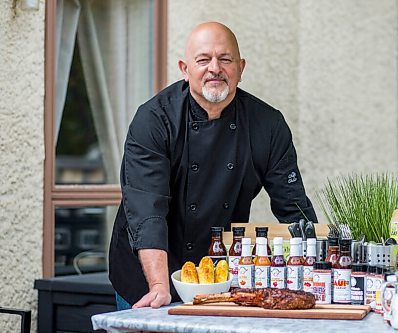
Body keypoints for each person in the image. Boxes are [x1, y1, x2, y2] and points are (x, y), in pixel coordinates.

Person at [108, 21, 317, 310]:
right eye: (203, 60)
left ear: (241, 68)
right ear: (185, 69)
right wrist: (159, 285)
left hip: (218, 273)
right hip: (147, 272)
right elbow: (147, 211)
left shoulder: (268, 126)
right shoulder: (154, 120)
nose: (215, 68)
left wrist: (320, 270)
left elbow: (293, 208)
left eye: (225, 59)